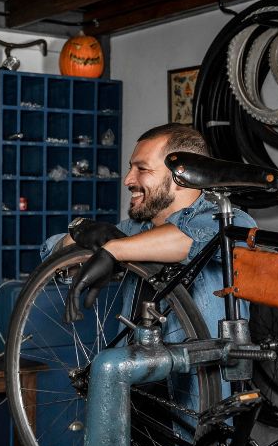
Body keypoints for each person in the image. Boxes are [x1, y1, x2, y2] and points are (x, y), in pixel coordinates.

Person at [41, 122, 256, 337]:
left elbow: (192, 239)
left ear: (182, 177)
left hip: (201, 370)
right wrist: (82, 232)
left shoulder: (233, 222)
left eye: (142, 169)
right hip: (131, 366)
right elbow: (51, 254)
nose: (127, 180)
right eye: (130, 168)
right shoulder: (133, 229)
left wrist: (115, 249)